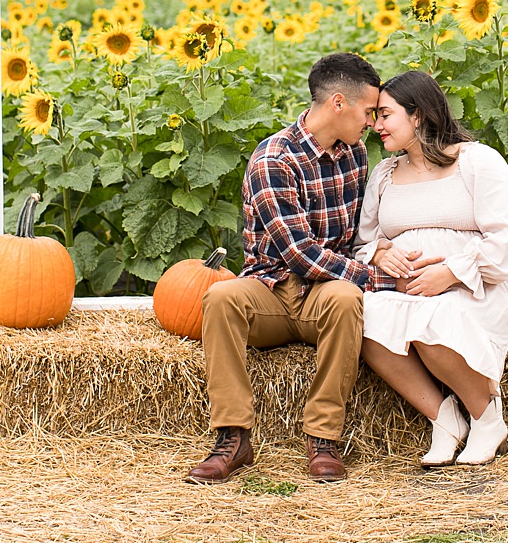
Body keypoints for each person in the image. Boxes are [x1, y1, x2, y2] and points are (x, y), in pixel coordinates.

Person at [186, 53, 440, 485]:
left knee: (345, 298)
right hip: (273, 289)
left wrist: (378, 249)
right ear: (338, 104)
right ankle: (232, 437)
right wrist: (389, 279)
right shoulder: (274, 160)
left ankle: (324, 439)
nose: (373, 123)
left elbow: (362, 229)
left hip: (325, 293)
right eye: (367, 112)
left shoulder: (355, 156)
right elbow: (300, 253)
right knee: (221, 296)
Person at [354, 70, 508, 466]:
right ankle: (443, 417)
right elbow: (363, 243)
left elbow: (505, 242)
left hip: (477, 288)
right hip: (405, 291)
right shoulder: (384, 176)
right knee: (362, 317)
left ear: (417, 115)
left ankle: (486, 418)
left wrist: (450, 273)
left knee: (435, 317)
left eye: (385, 115)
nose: (375, 126)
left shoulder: (477, 162)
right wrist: (380, 252)